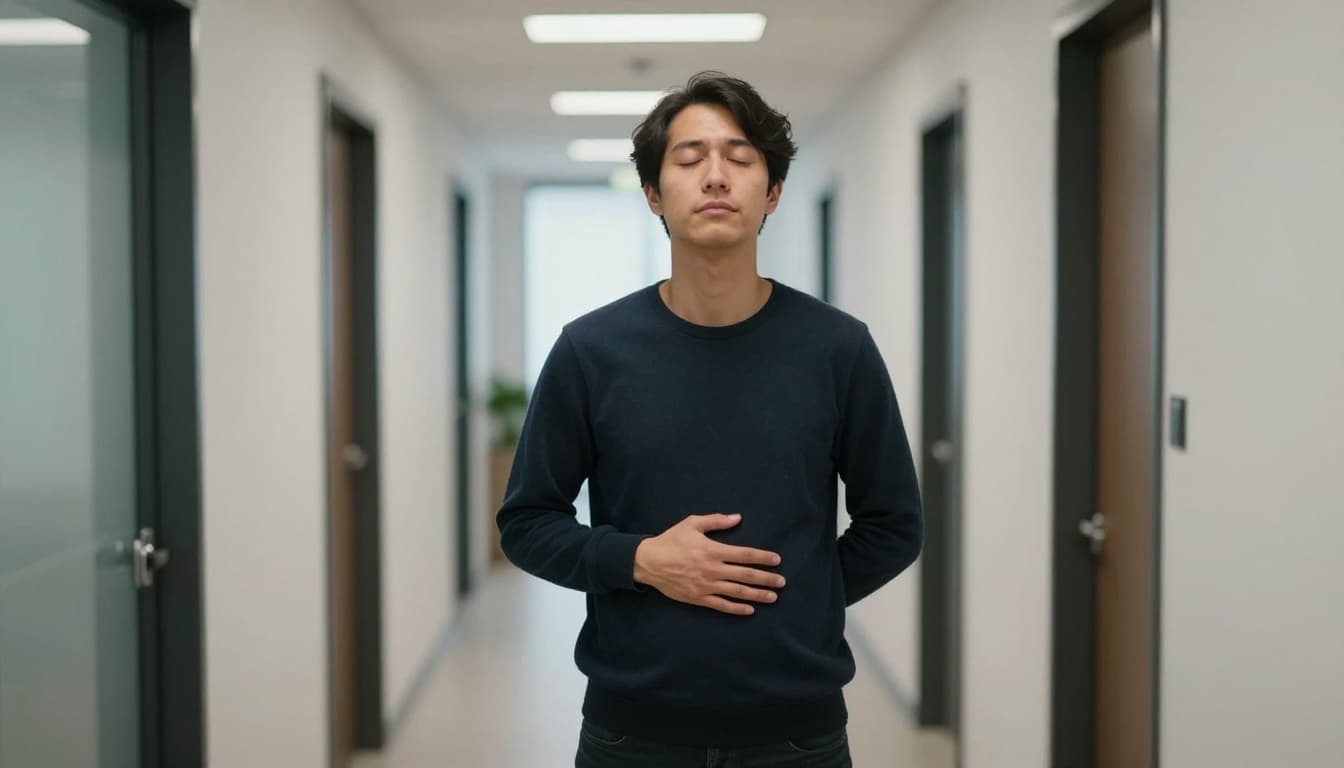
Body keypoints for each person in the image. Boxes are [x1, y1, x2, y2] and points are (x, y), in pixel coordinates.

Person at [496, 71, 923, 768]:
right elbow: (526, 524)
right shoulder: (590, 351)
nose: (717, 176)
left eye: (742, 158)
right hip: (630, 731)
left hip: (798, 734)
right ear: (654, 196)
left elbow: (894, 526)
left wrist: (802, 601)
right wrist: (640, 561)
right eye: (691, 159)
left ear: (773, 193)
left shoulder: (838, 348)